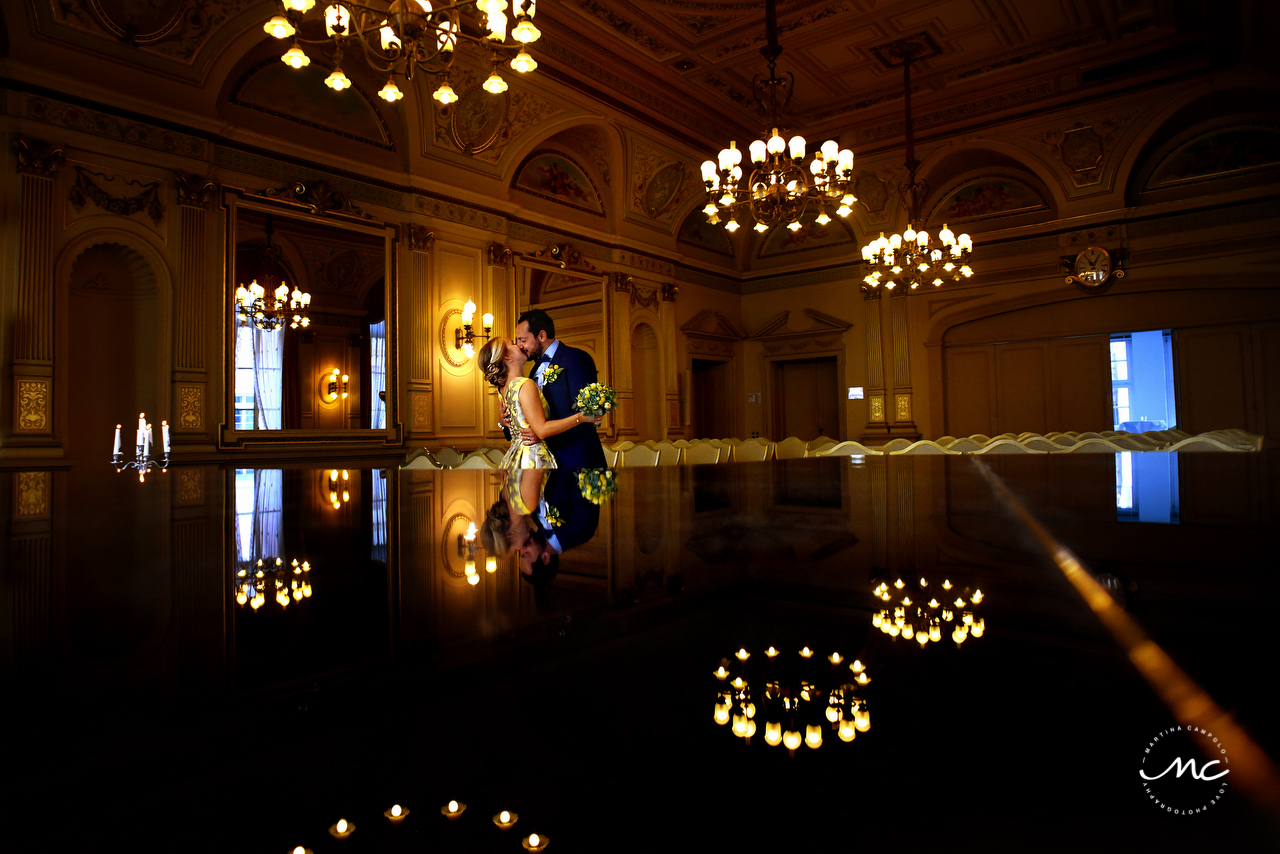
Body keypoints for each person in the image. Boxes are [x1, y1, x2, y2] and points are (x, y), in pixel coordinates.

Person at [477, 336, 595, 469]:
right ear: (506, 357)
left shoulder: (502, 389)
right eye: (513, 343)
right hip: (532, 457)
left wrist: (502, 423)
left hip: (514, 457)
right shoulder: (525, 384)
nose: (520, 345)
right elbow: (542, 430)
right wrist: (581, 417)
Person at [514, 309, 608, 470]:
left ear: (541, 336)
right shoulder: (534, 370)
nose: (519, 346)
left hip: (579, 461)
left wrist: (542, 432)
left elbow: (588, 414)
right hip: (549, 463)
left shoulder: (576, 359)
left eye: (522, 340)